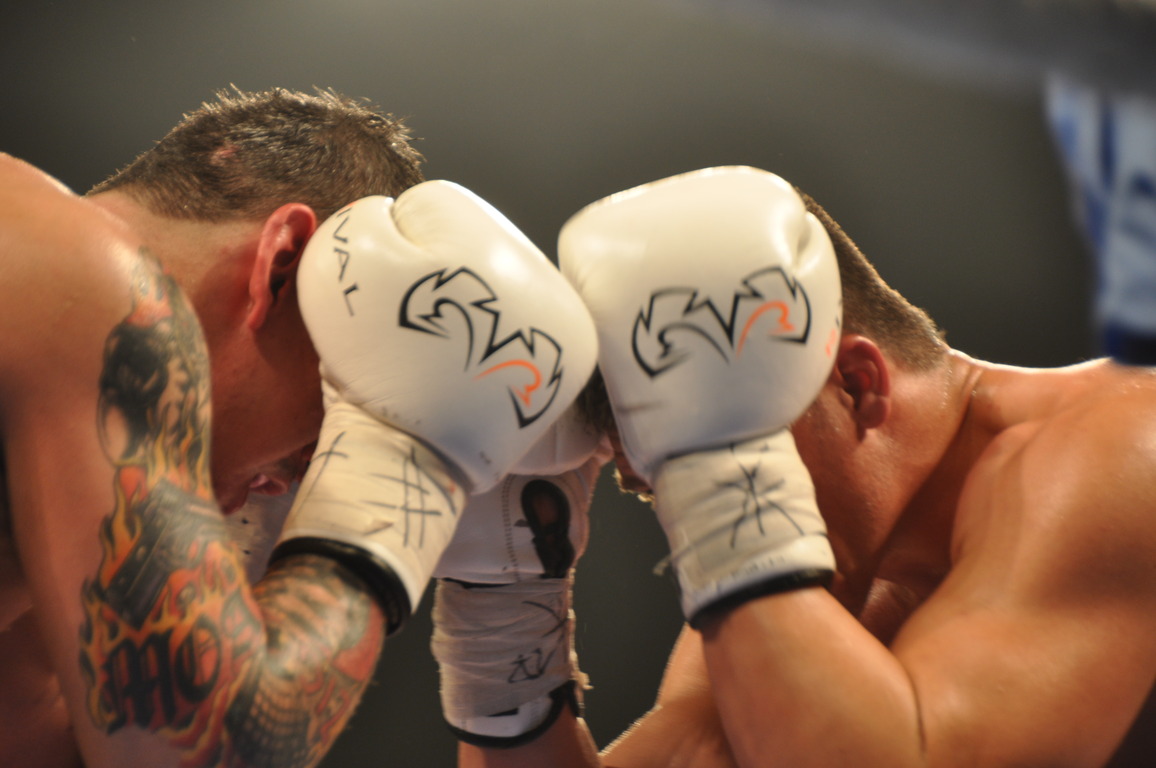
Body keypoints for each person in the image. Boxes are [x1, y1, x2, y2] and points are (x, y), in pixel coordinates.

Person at [434, 165, 1156, 767]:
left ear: (858, 385)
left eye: (717, 448)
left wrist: (719, 472)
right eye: (661, 484)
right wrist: (503, 621)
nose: (684, 512)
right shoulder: (807, 580)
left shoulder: (1121, 445)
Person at [0, 85, 599, 768]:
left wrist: (505, 629)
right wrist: (404, 468)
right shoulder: (85, 276)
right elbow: (208, 750)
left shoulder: (41, 603)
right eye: (333, 412)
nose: (288, 481)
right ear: (282, 265)